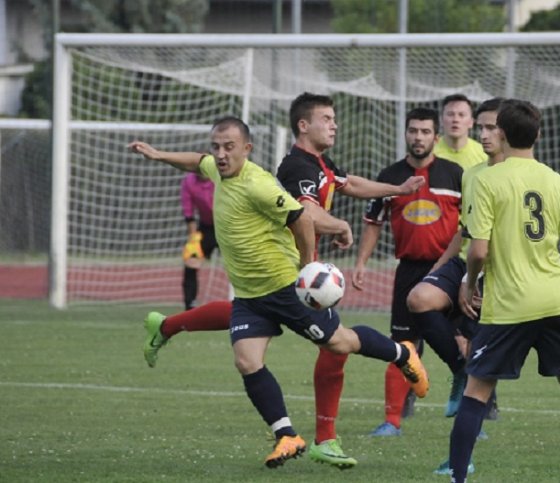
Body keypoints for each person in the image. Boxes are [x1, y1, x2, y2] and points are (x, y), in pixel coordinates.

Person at [138, 92, 427, 470]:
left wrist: (312, 264)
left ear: (246, 148)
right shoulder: (250, 167)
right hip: (251, 292)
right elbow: (199, 162)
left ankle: (402, 354)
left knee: (341, 343)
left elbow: (305, 216)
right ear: (304, 125)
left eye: (229, 147)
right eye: (217, 147)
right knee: (247, 361)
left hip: (284, 286)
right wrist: (160, 155)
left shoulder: (262, 183)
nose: (220, 154)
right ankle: (288, 435)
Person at [448, 99, 560, 483]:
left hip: (508, 307)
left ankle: (458, 479)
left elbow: (478, 249)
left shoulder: (485, 180)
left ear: (501, 133)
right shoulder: (558, 182)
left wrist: (468, 283)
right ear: (539, 135)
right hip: (555, 302)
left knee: (476, 392)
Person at [405, 97, 504, 475]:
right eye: (482, 126)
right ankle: (458, 366)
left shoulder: (527, 176)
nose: (484, 133)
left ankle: (460, 457)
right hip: (468, 263)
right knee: (420, 298)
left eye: (491, 127)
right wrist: (442, 266)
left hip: (501, 275)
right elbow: (466, 230)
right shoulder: (474, 173)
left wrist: (477, 281)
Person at [350, 107, 464, 437]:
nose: (418, 137)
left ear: (436, 138)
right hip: (409, 271)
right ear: (405, 134)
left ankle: (473, 416)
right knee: (402, 344)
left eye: (425, 132)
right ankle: (392, 421)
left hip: (449, 272)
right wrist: (361, 263)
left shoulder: (455, 174)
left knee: (464, 341)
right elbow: (373, 223)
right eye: (413, 131)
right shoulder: (390, 176)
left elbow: (473, 224)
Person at [179, 172, 217, 310]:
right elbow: (188, 211)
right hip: (206, 227)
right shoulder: (189, 181)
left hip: (228, 225)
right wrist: (193, 239)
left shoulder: (220, 177)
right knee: (190, 260)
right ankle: (190, 305)